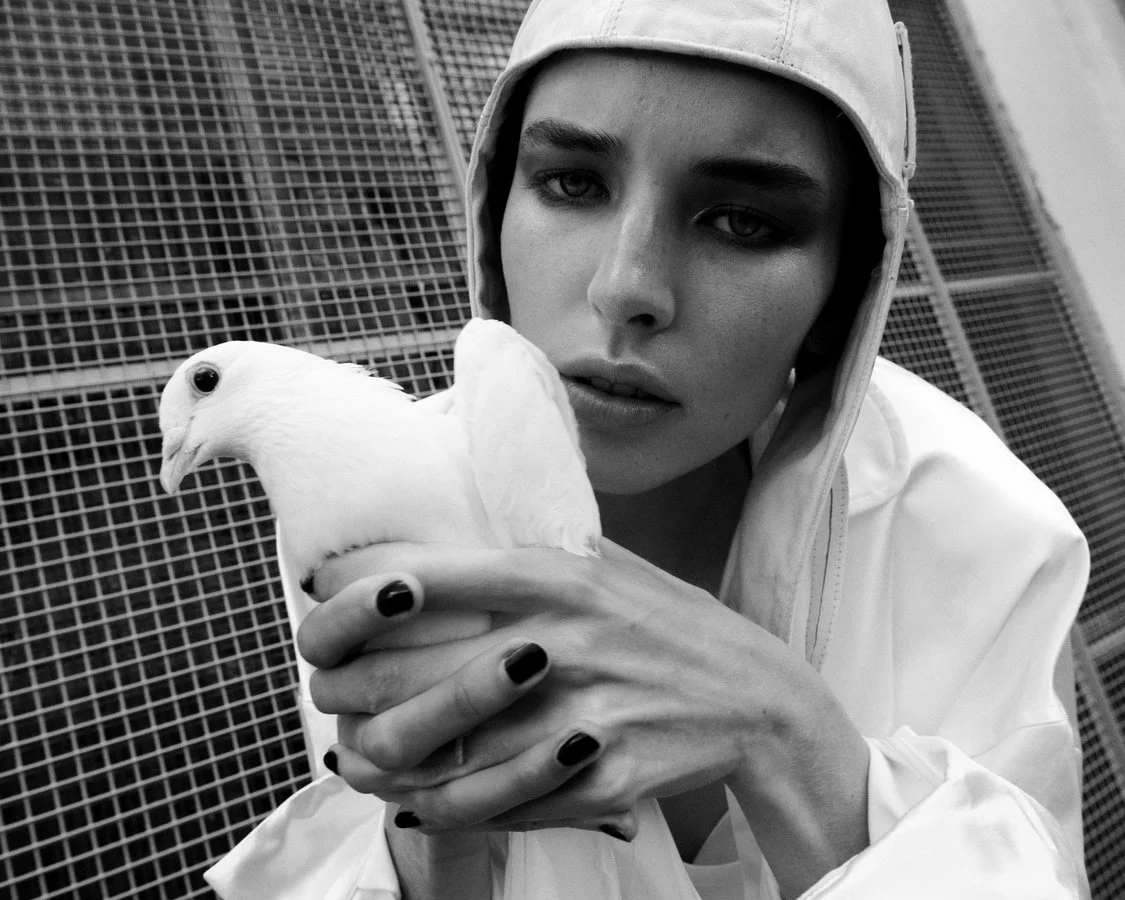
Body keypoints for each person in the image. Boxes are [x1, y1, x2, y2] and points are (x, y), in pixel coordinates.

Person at [205, 0, 1090, 898]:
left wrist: (782, 737)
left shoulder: (981, 532)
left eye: (743, 221)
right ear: (493, 209)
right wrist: (432, 854)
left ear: (843, 294)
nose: (625, 288)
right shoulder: (369, 500)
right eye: (570, 183)